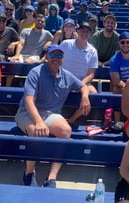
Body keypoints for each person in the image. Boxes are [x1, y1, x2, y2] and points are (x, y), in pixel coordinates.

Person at [15, 44, 91, 187]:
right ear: (47, 56)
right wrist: (38, 121)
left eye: (59, 55)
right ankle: (29, 173)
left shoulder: (66, 75)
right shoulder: (36, 72)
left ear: (63, 58)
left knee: (66, 131)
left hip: (50, 114)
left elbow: (83, 85)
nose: (56, 58)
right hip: (27, 112)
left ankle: (51, 177)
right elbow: (29, 100)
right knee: (35, 131)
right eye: (53, 55)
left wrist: (85, 96)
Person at [60, 22, 98, 124]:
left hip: (82, 83)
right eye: (82, 31)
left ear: (90, 33)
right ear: (77, 31)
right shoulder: (65, 44)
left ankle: (72, 119)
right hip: (63, 80)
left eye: (87, 31)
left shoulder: (93, 51)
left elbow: (91, 74)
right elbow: (57, 62)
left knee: (93, 92)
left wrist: (79, 84)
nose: (84, 33)